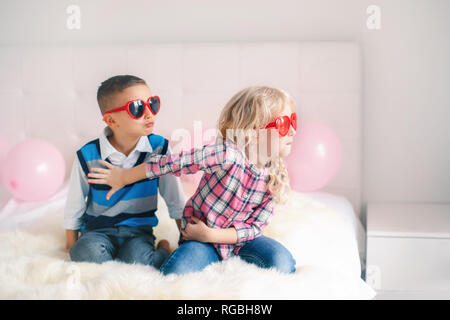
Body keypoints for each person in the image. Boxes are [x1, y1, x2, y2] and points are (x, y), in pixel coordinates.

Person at [88, 86, 297, 275]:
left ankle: (231, 260)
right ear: (254, 132)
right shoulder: (226, 155)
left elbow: (255, 228)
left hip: (239, 241)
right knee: (176, 272)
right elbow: (171, 164)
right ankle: (166, 250)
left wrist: (212, 235)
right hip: (199, 237)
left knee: (283, 263)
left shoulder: (276, 175)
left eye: (293, 121)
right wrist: (124, 176)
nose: (294, 131)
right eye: (284, 124)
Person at [64, 75, 186, 269]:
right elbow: (75, 203)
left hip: (138, 231)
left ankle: (163, 248)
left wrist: (184, 237)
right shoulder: (88, 155)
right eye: (137, 108)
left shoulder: (159, 148)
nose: (149, 114)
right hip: (98, 231)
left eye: (152, 104)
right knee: (85, 253)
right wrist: (71, 245)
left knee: (137, 263)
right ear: (111, 120)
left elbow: (175, 198)